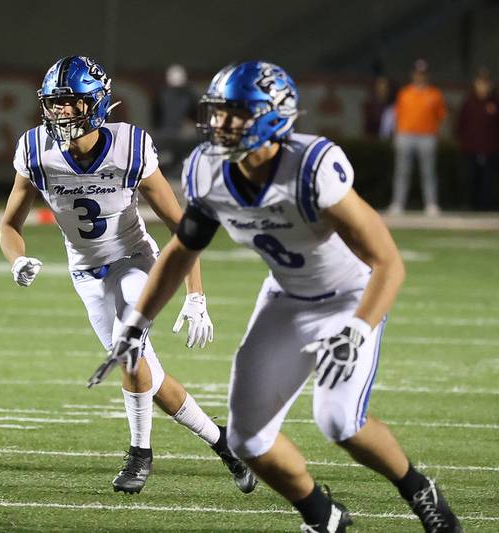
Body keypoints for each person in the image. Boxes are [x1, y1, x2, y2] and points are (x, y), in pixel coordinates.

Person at [105, 61, 462, 532]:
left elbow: (387, 262)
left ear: (272, 115)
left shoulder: (312, 166)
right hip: (286, 297)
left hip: (348, 297)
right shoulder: (208, 170)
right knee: (248, 440)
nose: (220, 124)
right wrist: (136, 321)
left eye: (235, 114)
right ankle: (322, 514)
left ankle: (419, 490)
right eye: (218, 113)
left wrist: (357, 328)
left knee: (339, 422)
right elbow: (181, 250)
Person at [0, 56, 256, 495]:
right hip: (86, 275)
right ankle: (225, 443)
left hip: (135, 262)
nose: (60, 113)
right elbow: (10, 225)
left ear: (96, 104)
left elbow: (183, 226)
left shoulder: (130, 147)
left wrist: (197, 296)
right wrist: (16, 260)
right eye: (55, 104)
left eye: (71, 104)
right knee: (147, 378)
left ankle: (140, 454)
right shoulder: (35, 148)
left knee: (128, 345)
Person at [388, 59, 447, 216]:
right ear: (413, 75)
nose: (420, 77)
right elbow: (397, 115)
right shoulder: (404, 93)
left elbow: (441, 117)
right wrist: (396, 135)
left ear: (427, 75)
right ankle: (398, 203)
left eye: (423, 74)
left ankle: (431, 204)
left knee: (428, 172)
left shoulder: (434, 94)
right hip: (405, 135)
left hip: (427, 136)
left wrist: (437, 135)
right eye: (417, 73)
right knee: (402, 171)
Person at [456, 67, 499, 211]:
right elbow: (460, 124)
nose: (483, 86)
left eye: (486, 83)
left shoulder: (495, 102)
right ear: (475, 83)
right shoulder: (468, 101)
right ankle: (470, 205)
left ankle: (486, 207)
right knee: (471, 178)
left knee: (488, 180)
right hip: (471, 148)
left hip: (490, 149)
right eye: (480, 82)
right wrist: (463, 142)